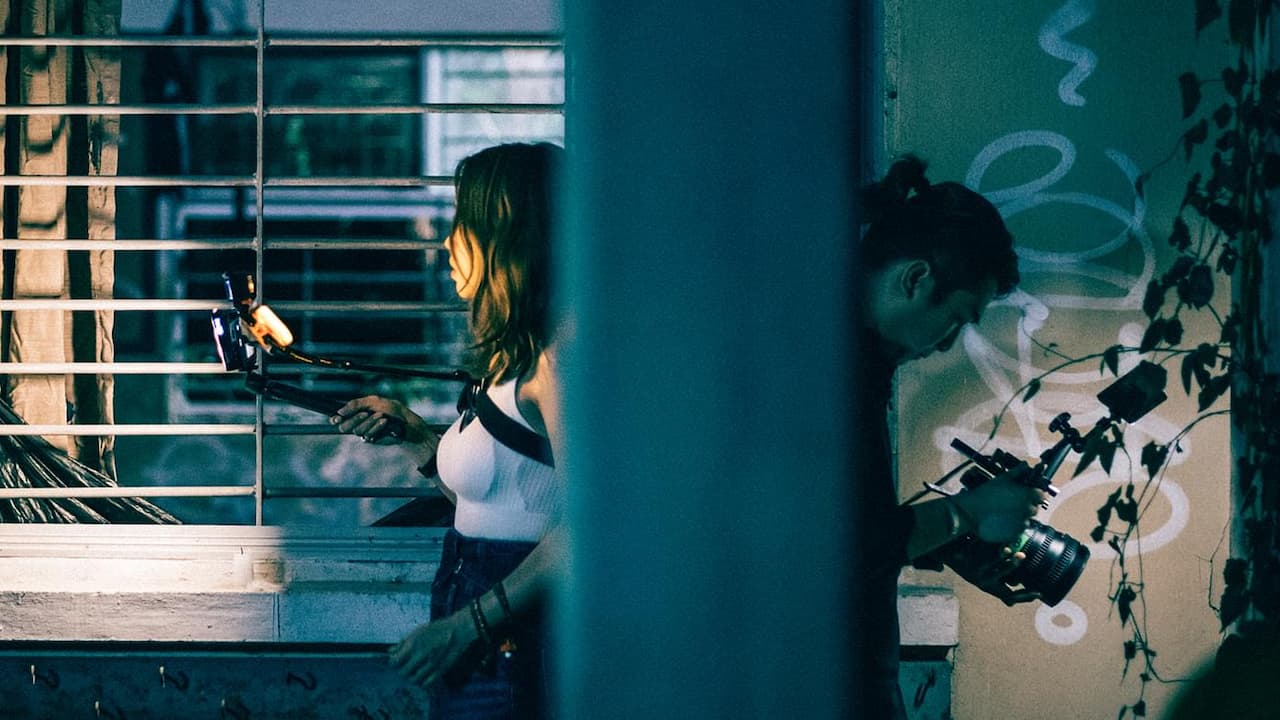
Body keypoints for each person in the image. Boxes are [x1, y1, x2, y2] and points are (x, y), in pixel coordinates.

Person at [332, 142, 565, 719]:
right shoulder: (513, 359)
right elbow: (498, 505)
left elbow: (593, 526)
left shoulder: (559, 360)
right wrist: (414, 435)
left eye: (463, 222)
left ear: (505, 233)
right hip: (480, 635)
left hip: (514, 644)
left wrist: (468, 626)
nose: (446, 243)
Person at [850, 155, 1046, 718]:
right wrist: (966, 515)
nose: (946, 344)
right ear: (915, 279)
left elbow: (854, 526)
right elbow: (839, 547)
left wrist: (947, 541)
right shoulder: (824, 373)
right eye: (957, 319)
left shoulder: (853, 363)